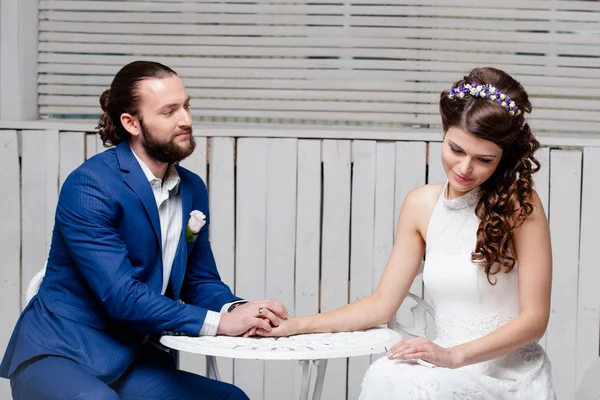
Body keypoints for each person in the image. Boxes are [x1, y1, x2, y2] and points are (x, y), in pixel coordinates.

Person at [255, 67, 556, 399]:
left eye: (483, 159)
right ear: (444, 133)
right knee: (388, 373)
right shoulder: (420, 205)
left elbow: (535, 320)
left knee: (417, 384)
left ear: (503, 158)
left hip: (506, 377)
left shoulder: (519, 205)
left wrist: (453, 356)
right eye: (456, 150)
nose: (465, 168)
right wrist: (297, 325)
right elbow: (381, 305)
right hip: (443, 369)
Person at [0, 60, 288, 399]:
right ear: (131, 123)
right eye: (169, 112)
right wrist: (221, 324)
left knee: (230, 398)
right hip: (60, 353)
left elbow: (199, 281)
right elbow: (122, 297)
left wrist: (239, 310)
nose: (186, 120)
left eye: (186, 106)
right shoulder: (91, 185)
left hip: (131, 358)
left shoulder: (192, 188)